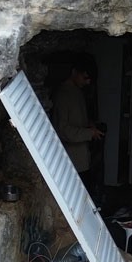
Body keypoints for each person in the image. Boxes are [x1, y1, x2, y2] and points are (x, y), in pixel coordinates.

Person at [53, 63, 104, 194]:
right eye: (85, 77)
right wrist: (89, 133)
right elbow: (63, 130)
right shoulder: (63, 95)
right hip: (71, 161)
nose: (87, 82)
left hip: (82, 158)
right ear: (74, 71)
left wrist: (89, 124)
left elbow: (78, 118)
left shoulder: (77, 91)